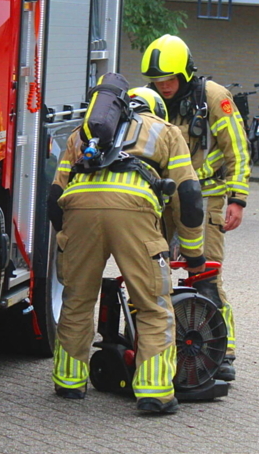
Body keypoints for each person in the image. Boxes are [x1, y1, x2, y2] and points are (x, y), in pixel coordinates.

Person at [47, 84, 206, 415]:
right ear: (155, 109)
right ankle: (154, 392)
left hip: (78, 209)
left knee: (76, 300)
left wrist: (68, 240)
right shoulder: (166, 131)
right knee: (153, 305)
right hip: (133, 211)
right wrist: (194, 255)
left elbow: (54, 198)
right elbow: (188, 196)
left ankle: (69, 381)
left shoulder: (82, 134)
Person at [141, 34, 250, 382]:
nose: (164, 86)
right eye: (158, 80)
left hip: (206, 196)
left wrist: (237, 199)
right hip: (162, 200)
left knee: (205, 275)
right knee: (152, 271)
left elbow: (237, 149)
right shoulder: (151, 101)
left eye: (170, 79)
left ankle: (222, 351)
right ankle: (159, 344)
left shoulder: (213, 98)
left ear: (185, 73)